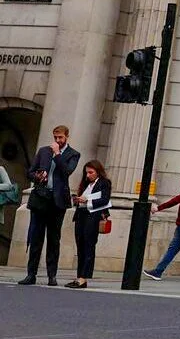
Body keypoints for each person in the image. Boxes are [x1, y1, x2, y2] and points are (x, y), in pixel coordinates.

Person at [17, 123, 79, 286]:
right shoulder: (44, 151)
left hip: (57, 201)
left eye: (60, 138)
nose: (57, 140)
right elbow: (30, 172)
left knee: (53, 238)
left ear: (67, 137)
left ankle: (52, 275)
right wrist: (38, 177)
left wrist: (58, 154)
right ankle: (31, 274)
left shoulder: (73, 154)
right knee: (36, 237)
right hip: (40, 197)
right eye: (55, 138)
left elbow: (67, 172)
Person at [66, 160, 111, 288]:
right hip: (81, 215)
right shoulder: (86, 183)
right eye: (86, 172)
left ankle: (83, 277)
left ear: (98, 172)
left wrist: (88, 200)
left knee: (89, 246)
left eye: (91, 172)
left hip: (93, 216)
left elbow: (104, 199)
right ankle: (79, 276)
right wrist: (77, 199)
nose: (88, 175)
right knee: (80, 245)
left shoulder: (104, 183)